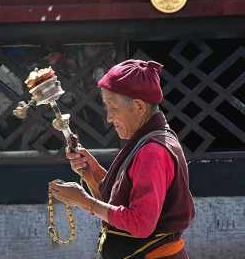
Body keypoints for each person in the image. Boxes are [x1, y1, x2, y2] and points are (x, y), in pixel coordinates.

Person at [50, 59, 195, 259]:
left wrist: (85, 202)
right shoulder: (146, 140)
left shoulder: (153, 150)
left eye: (113, 108)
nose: (108, 118)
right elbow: (120, 203)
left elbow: (140, 224)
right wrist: (91, 173)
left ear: (138, 106)